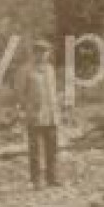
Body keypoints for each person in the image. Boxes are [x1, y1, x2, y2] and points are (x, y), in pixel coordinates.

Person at [15, 38, 64, 188]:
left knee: (52, 148)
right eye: (39, 52)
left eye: (45, 52)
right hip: (35, 116)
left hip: (51, 115)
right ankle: (36, 180)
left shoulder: (50, 69)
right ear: (34, 53)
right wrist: (26, 110)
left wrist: (58, 108)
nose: (42, 55)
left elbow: (53, 92)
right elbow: (19, 93)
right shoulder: (25, 70)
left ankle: (52, 177)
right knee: (35, 150)